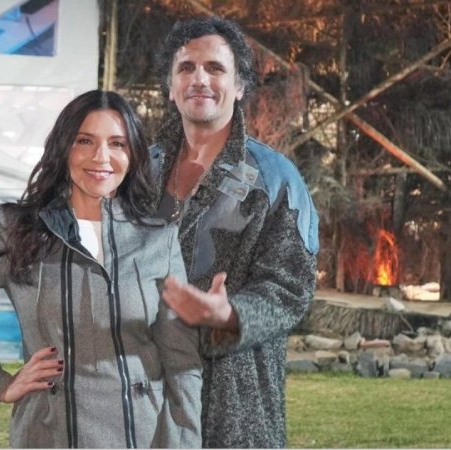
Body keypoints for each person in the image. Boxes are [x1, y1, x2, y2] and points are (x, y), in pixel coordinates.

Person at [0, 90, 202, 448]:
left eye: (117, 143)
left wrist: (186, 440)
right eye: (85, 141)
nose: (101, 157)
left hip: (143, 436)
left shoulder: (158, 238)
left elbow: (182, 359)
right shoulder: (18, 231)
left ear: (133, 155)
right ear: (64, 148)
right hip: (48, 434)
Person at [151, 17, 320, 448]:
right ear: (170, 87)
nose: (199, 79)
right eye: (186, 68)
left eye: (215, 68)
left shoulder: (276, 179)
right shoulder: (137, 172)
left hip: (232, 403)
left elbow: (291, 290)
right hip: (143, 395)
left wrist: (229, 314)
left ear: (240, 86)